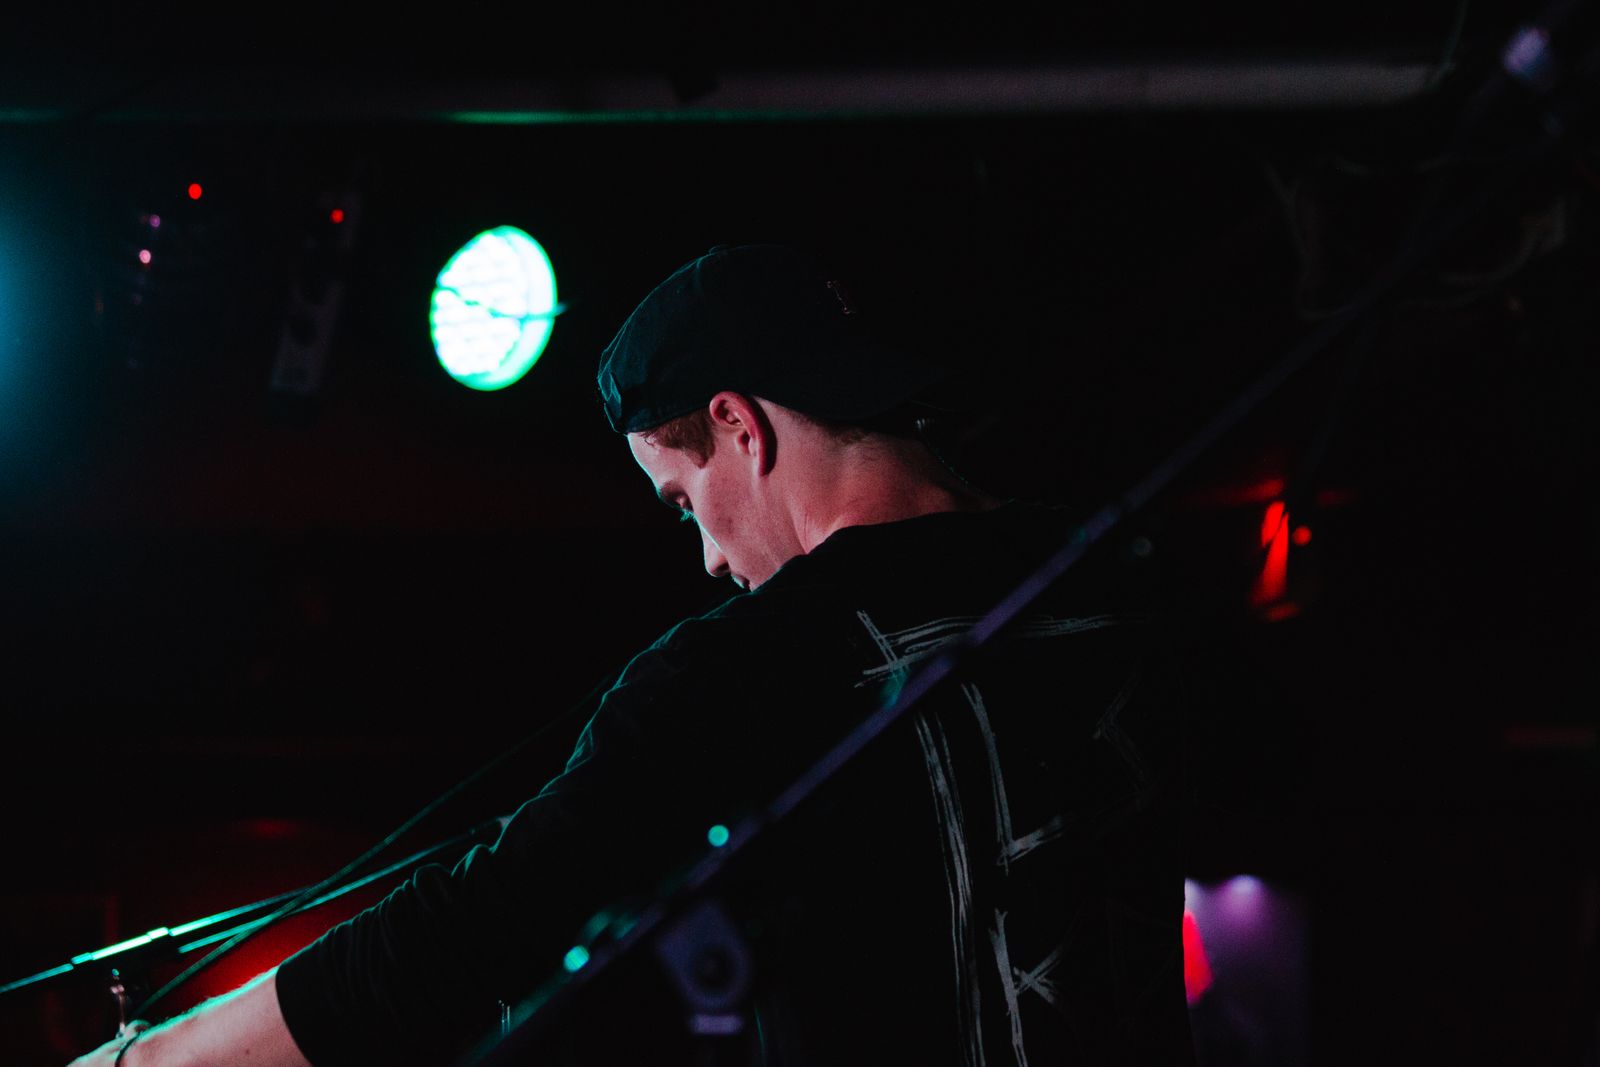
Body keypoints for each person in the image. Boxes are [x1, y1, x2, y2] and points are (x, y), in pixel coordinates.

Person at [70, 244, 1194, 1066]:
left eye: (683, 501)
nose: (708, 557)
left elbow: (469, 930)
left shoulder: (744, 668)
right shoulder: (1123, 580)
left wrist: (151, 1057)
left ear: (740, 425)